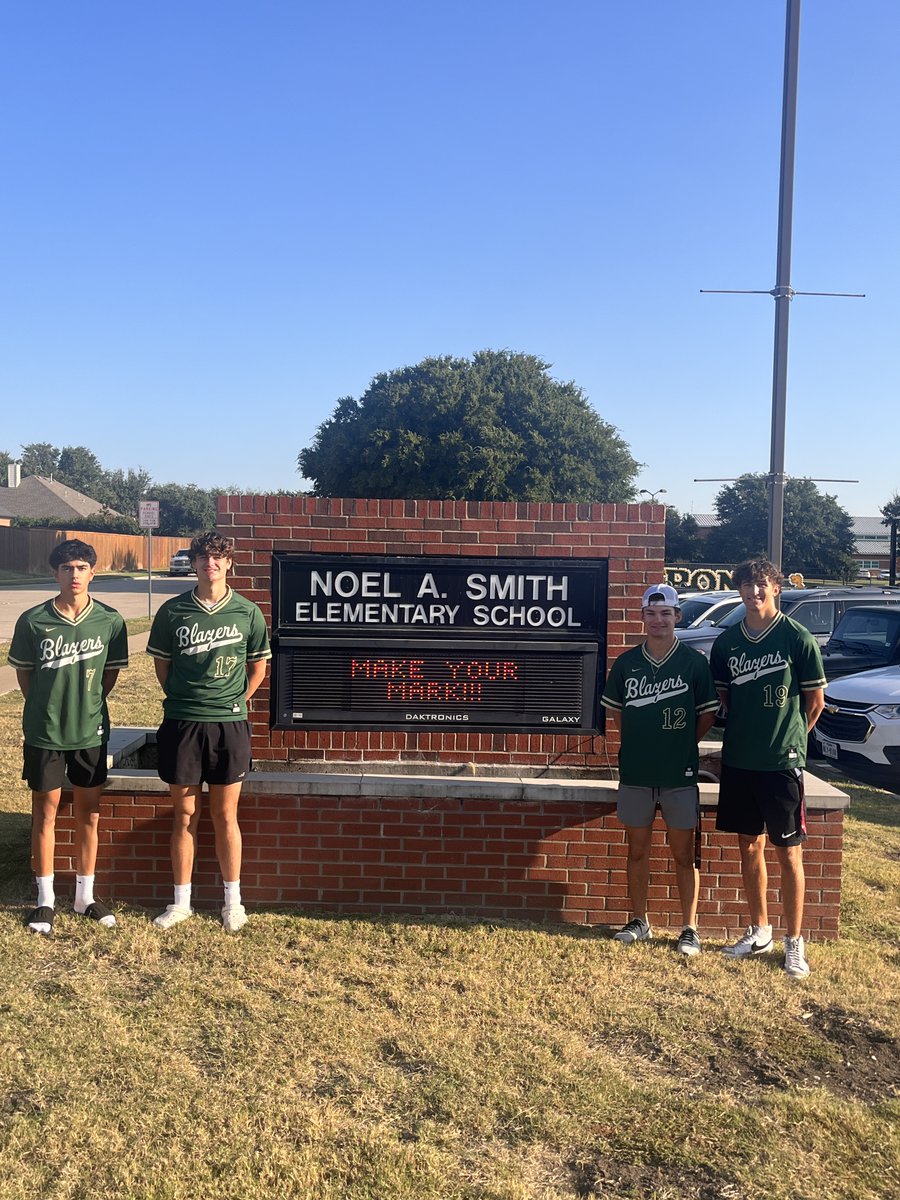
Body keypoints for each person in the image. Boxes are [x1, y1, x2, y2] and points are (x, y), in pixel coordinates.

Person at [147, 532, 271, 932]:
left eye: (217, 558)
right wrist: (186, 700)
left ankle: (233, 901)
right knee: (184, 813)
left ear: (229, 564)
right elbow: (163, 668)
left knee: (224, 814)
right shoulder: (172, 612)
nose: (210, 564)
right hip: (182, 721)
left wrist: (232, 701)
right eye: (203, 557)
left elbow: (257, 669)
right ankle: (180, 902)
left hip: (228, 724)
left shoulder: (248, 612)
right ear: (195, 563)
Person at [711, 558, 826, 979]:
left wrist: (792, 737)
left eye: (761, 584)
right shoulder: (726, 643)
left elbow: (815, 703)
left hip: (781, 763)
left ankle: (794, 943)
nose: (754, 592)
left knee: (789, 853)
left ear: (775, 588)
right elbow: (724, 700)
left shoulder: (797, 638)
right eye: (746, 585)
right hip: (740, 759)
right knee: (749, 847)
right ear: (738, 590)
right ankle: (760, 930)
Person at [9, 539, 128, 934]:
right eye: (66, 568)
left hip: (89, 730)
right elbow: (25, 675)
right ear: (54, 573)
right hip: (45, 731)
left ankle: (84, 896)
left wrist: (86, 703)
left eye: (80, 567)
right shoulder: (32, 620)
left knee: (88, 813)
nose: (74, 574)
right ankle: (44, 900)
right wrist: (46, 705)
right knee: (44, 812)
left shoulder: (110, 621)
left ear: (93, 572)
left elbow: (108, 676)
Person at [601, 584, 719, 955]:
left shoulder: (694, 663)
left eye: (665, 613)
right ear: (642, 617)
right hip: (636, 771)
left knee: (684, 853)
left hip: (678, 773)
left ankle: (689, 927)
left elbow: (707, 714)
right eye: (651, 614)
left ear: (677, 617)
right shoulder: (627, 663)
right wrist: (641, 740)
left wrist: (681, 745)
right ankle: (640, 920)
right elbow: (618, 713)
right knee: (637, 850)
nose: (658, 620)